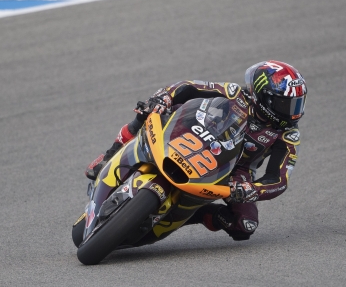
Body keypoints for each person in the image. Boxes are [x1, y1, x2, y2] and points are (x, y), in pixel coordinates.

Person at [85, 60, 307, 241]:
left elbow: (278, 179)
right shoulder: (235, 93)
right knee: (149, 108)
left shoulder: (287, 134)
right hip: (193, 133)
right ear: (263, 97)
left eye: (297, 104)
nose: (293, 113)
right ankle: (109, 156)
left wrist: (253, 189)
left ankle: (194, 214)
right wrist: (165, 97)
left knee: (245, 226)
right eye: (286, 105)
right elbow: (189, 87)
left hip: (235, 170)